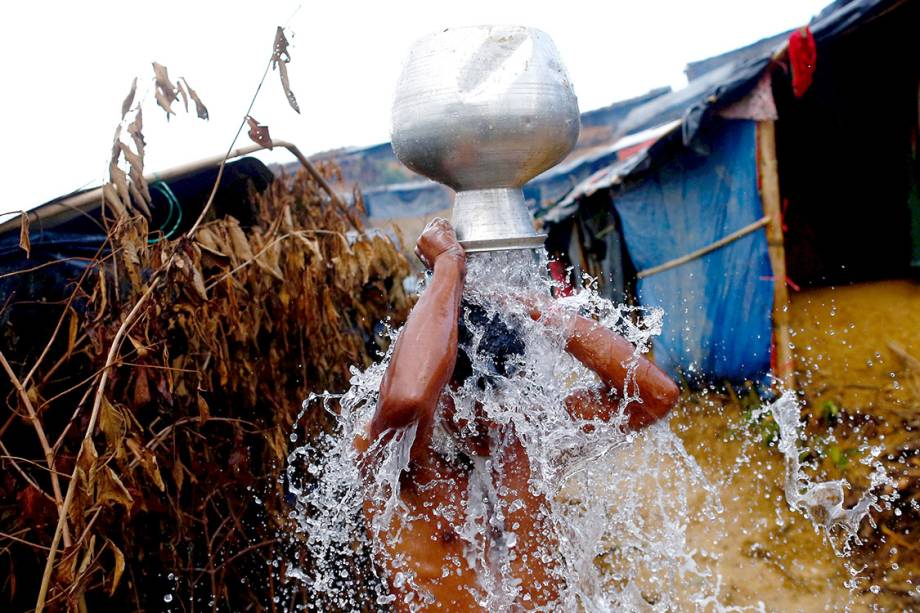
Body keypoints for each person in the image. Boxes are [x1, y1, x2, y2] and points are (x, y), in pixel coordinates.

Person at [355, 218, 679, 611]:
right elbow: (406, 397)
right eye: (471, 402)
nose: (486, 419)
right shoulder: (400, 459)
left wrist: (541, 312)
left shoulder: (526, 436)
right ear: (442, 389)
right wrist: (447, 268)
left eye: (499, 401)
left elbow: (655, 395)